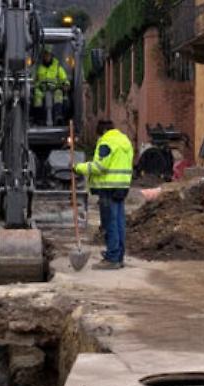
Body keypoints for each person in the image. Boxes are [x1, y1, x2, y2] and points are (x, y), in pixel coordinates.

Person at [75, 120, 132, 270]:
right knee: (119, 222)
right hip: (122, 186)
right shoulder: (124, 140)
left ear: (102, 132)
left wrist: (78, 167)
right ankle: (118, 256)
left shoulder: (106, 142)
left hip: (108, 188)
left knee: (109, 223)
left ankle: (112, 257)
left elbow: (100, 166)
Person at [32, 45, 69, 124]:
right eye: (45, 55)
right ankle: (39, 119)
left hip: (54, 88)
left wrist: (65, 84)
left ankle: (58, 117)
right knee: (37, 96)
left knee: (58, 94)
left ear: (52, 56)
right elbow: (33, 79)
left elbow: (64, 78)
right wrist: (34, 84)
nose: (47, 57)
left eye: (48, 55)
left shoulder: (57, 67)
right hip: (41, 89)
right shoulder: (39, 67)